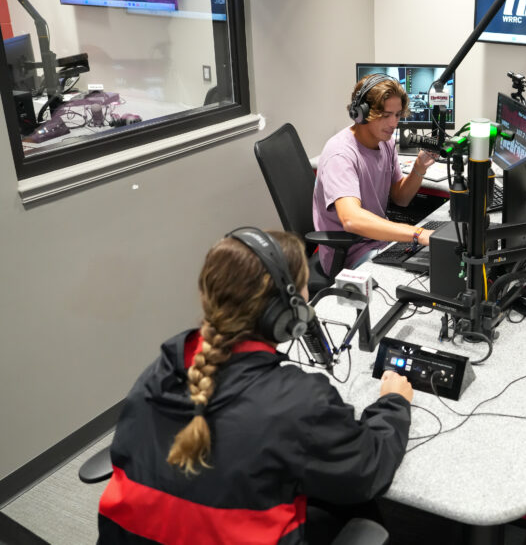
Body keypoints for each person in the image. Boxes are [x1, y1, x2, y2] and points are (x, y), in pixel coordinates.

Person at [97, 228, 413, 544]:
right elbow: (367, 472)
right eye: (304, 287)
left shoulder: (162, 368)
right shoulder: (299, 401)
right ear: (286, 311)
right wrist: (393, 404)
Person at [313, 73, 437, 275]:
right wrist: (417, 233)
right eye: (385, 115)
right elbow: (351, 219)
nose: (393, 123)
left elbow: (401, 198)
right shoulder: (341, 154)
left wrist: (418, 169)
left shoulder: (385, 141)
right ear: (361, 113)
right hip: (349, 254)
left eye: (397, 115)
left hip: (379, 242)